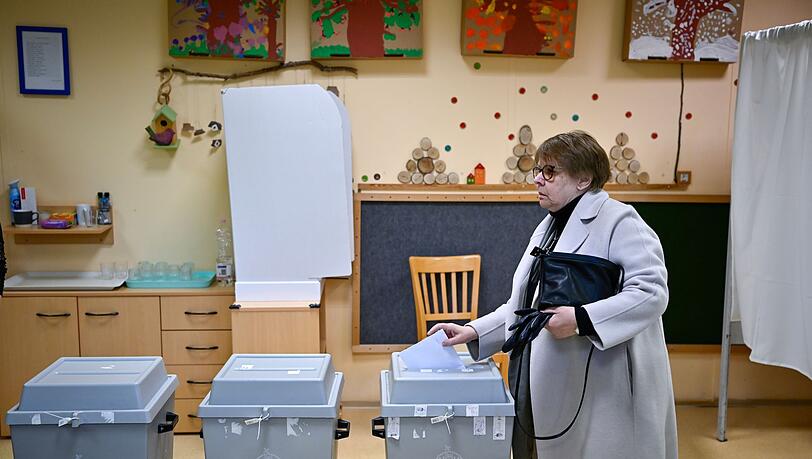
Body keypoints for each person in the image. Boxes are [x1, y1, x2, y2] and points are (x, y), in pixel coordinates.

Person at [429, 131, 677, 459]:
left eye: (550, 172)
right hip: (547, 375)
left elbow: (652, 292)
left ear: (583, 179)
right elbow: (528, 306)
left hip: (604, 384)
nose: (538, 180)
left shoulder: (621, 221)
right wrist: (473, 331)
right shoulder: (549, 226)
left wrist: (581, 320)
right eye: (537, 171)